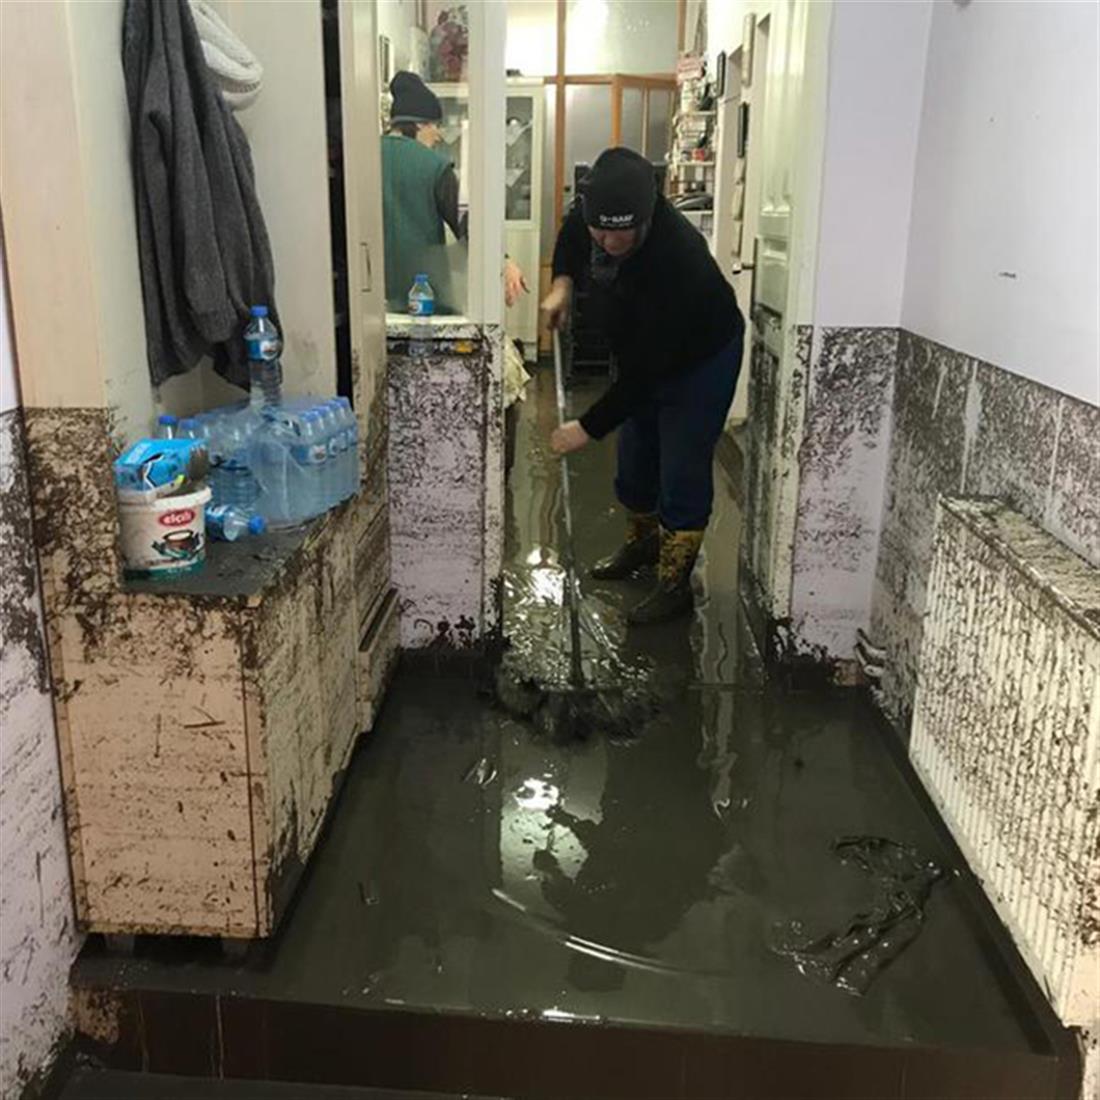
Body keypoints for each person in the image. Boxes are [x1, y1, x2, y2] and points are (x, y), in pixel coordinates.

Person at [541, 147, 745, 624]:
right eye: (601, 230)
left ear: (647, 216)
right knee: (635, 458)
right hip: (640, 348)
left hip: (701, 359)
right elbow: (572, 235)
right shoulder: (592, 216)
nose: (610, 241)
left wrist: (586, 428)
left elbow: (647, 375)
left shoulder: (678, 257)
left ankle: (674, 584)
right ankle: (642, 546)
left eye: (622, 232)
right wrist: (562, 284)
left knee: (681, 464)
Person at [381, 71, 527, 313]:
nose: (438, 135)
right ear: (419, 123)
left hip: (369, 300)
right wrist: (504, 260)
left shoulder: (362, 157)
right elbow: (467, 224)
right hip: (422, 297)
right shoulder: (434, 165)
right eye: (435, 125)